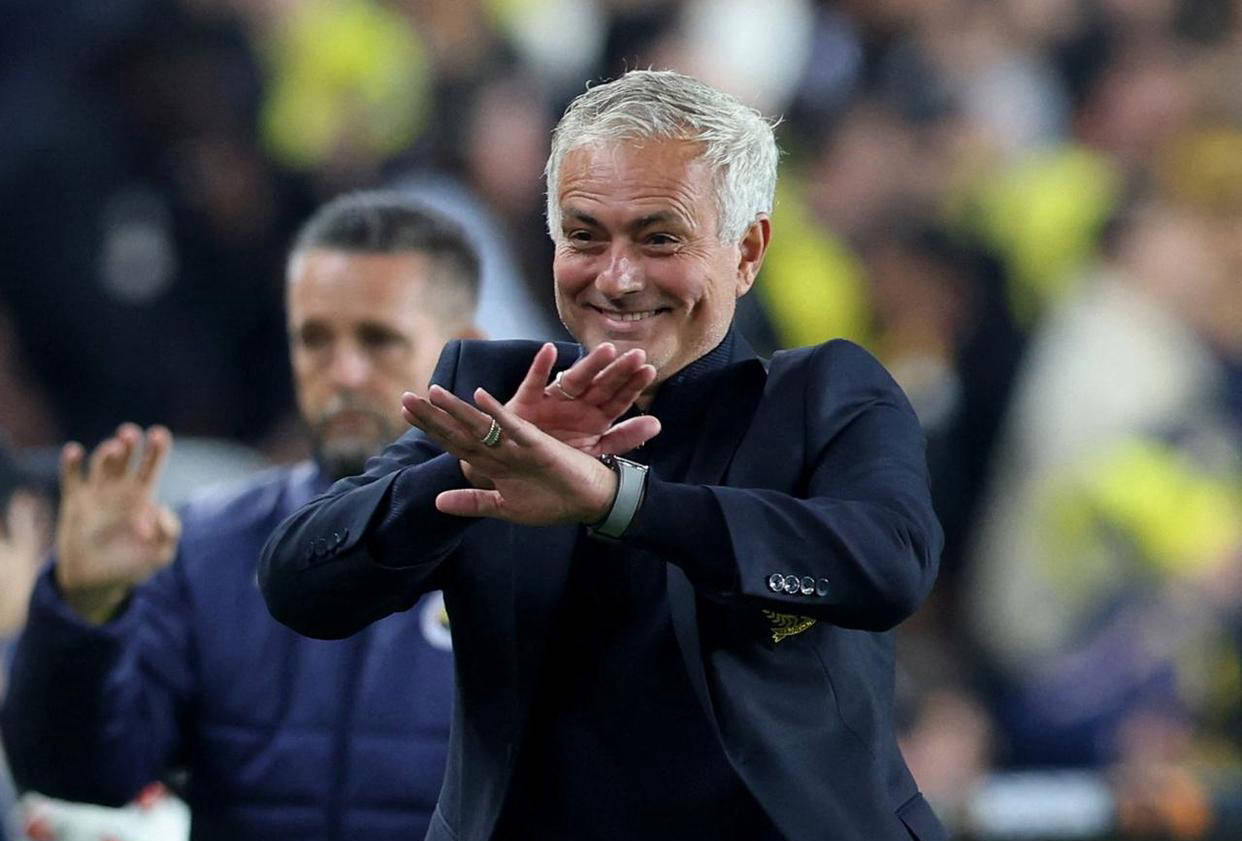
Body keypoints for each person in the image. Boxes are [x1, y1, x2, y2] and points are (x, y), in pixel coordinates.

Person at [260, 70, 947, 841]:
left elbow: (889, 563)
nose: (617, 278)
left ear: (747, 250)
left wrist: (620, 501)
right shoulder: (494, 396)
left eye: (660, 238)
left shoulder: (822, 395)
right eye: (585, 236)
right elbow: (297, 581)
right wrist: (470, 471)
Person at [1, 193, 488, 841]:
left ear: (467, 350)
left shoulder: (523, 545)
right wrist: (83, 613)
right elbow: (79, 773)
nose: (343, 372)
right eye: (314, 339)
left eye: (379, 339)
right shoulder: (209, 547)